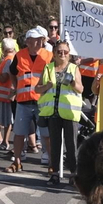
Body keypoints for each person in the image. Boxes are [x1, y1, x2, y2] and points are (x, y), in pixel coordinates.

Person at [38, 39, 82, 186]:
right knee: (55, 144)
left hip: (69, 112)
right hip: (52, 112)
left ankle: (74, 174)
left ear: (69, 54)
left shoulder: (73, 68)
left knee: (71, 145)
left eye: (66, 52)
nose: (62, 54)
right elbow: (37, 89)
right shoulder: (48, 68)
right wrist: (46, 86)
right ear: (54, 54)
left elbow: (81, 89)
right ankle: (55, 173)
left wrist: (72, 83)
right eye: (59, 52)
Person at [9, 27, 53, 173]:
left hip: (43, 101)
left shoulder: (48, 55)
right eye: (36, 39)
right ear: (28, 41)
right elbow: (12, 72)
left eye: (41, 39)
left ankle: (51, 163)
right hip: (23, 101)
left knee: (46, 134)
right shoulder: (19, 55)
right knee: (19, 133)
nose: (39, 42)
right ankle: (17, 162)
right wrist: (16, 88)